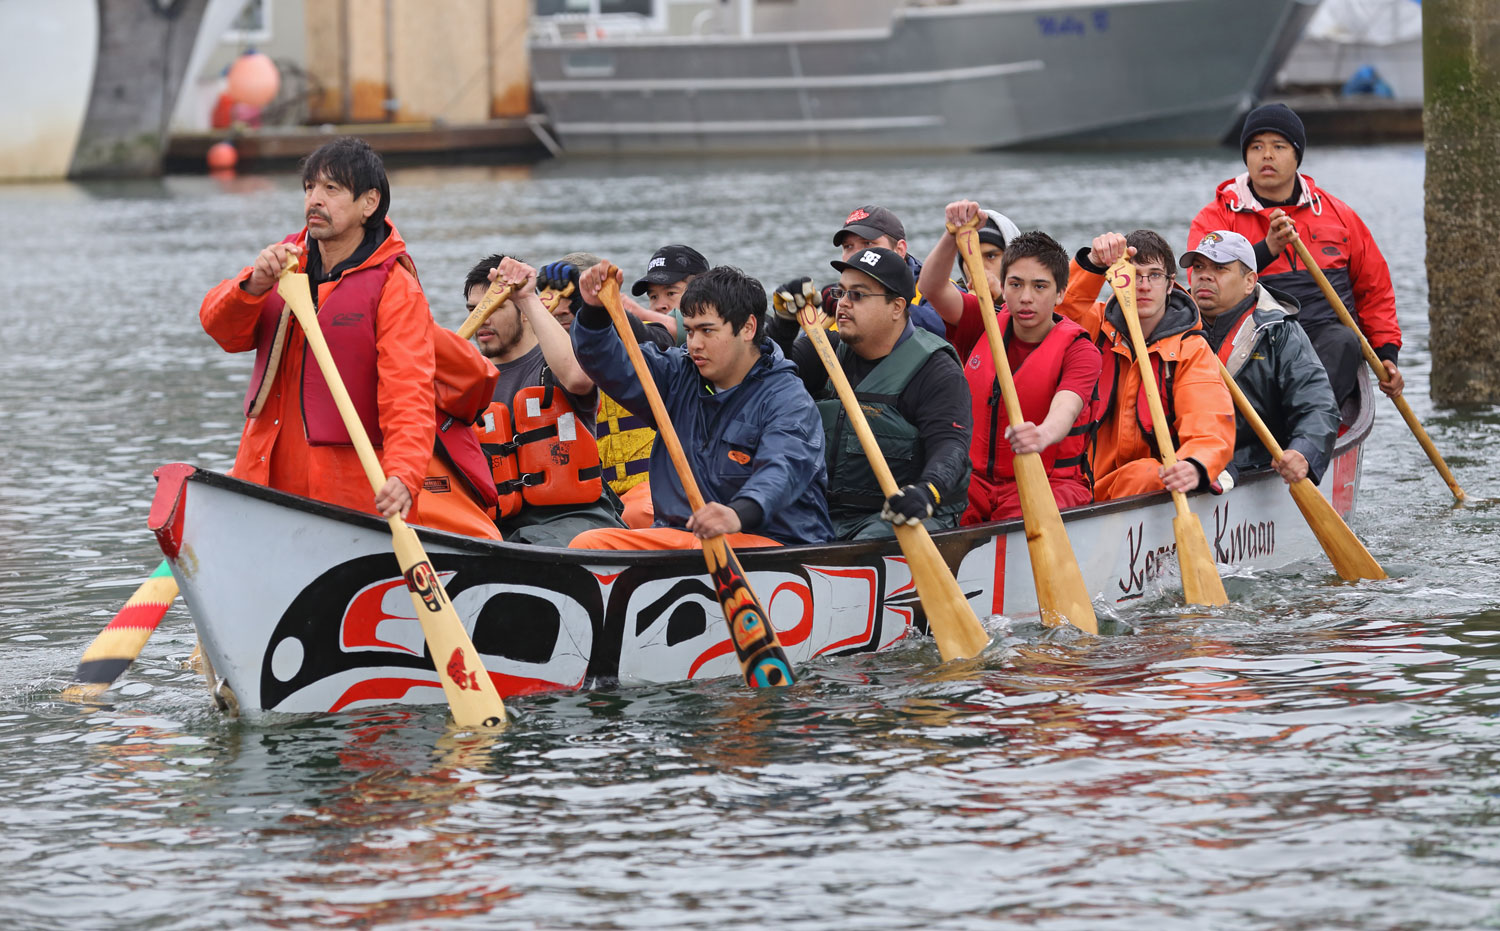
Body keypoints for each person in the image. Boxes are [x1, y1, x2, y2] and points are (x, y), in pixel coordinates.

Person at [199, 136, 499, 538]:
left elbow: (407, 393)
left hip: (345, 489)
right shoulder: (282, 263)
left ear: (369, 203)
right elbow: (223, 331)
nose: (314, 200)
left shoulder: (395, 287)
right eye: (309, 188)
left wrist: (405, 476)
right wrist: (252, 285)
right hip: (265, 475)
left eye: (331, 189)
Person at [568, 264, 834, 550]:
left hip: (777, 543)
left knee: (704, 547)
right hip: (683, 535)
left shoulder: (787, 398)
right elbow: (607, 364)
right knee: (589, 543)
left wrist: (738, 513)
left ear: (747, 327)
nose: (694, 344)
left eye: (707, 331)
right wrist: (594, 312)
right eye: (691, 331)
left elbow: (784, 469)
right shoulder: (676, 374)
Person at [1189, 102, 1404, 415]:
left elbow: (1375, 291)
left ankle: (1308, 425)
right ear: (1245, 155)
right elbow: (1202, 287)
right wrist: (1266, 250)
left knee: (1345, 340)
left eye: (1278, 146)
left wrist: (1387, 355)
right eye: (1256, 146)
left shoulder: (1339, 215)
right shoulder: (1216, 217)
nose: (1266, 155)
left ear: (1297, 155)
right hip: (1252, 338)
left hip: (1324, 341)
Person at [771, 246, 972, 539]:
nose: (842, 304)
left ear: (897, 307)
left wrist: (926, 491)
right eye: (841, 293)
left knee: (874, 535)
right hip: (824, 513)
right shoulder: (823, 350)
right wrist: (783, 326)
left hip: (898, 516)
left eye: (858, 295)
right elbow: (763, 383)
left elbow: (951, 446)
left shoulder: (935, 370)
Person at [919, 206, 1103, 522]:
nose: (1026, 297)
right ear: (1004, 287)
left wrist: (1043, 434)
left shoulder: (1080, 351)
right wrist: (952, 235)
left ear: (1060, 293)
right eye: (1016, 284)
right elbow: (932, 287)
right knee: (928, 506)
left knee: (1017, 518)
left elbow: (1067, 407)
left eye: (1039, 286)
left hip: (1051, 482)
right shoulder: (983, 321)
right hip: (975, 482)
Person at [1060, 230, 1236, 501]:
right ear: (1117, 281)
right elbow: (1049, 317)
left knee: (1145, 472)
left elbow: (1208, 419)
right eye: (1134, 275)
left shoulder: (1190, 348)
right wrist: (1092, 263)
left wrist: (1196, 464)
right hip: (1077, 482)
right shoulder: (1092, 326)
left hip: (1147, 486)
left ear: (1169, 285)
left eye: (1154, 275)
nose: (1143, 285)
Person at [466, 254, 627, 546]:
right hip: (499, 526)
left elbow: (579, 378)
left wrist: (526, 296)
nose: (482, 318)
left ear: (526, 312)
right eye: (473, 310)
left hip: (577, 519)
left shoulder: (555, 362)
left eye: (494, 306)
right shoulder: (466, 383)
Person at [1181, 230, 1340, 485]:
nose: (1204, 276)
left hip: (1253, 464)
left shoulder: (1280, 331)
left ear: (1249, 282)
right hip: (1184, 464)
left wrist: (1304, 450)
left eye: (1220, 268)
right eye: (1198, 267)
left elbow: (1317, 403)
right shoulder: (1171, 327)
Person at [538, 251, 675, 529]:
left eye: (572, 298)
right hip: (590, 501)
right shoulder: (538, 356)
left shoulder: (647, 338)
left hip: (651, 492)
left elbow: (660, 340)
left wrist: (595, 307)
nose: (563, 308)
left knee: (638, 514)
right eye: (556, 298)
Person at [778, 204, 946, 339]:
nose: (857, 254)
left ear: (900, 249)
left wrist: (868, 304)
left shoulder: (938, 289)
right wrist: (783, 324)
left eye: (868, 243)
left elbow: (949, 332)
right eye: (848, 247)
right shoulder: (835, 302)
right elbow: (797, 362)